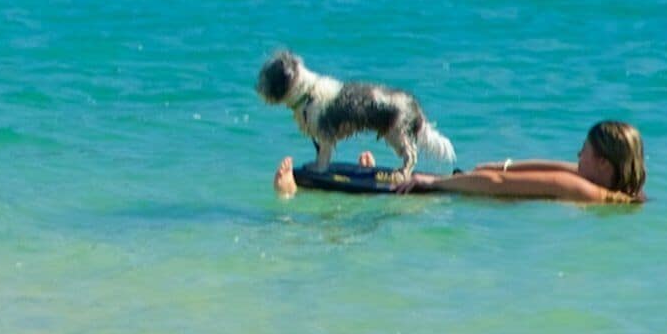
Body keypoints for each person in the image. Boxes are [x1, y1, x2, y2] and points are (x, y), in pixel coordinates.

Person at [275, 120, 646, 204]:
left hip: (468, 200)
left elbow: (499, 186)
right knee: (395, 187)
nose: (577, 156)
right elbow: (542, 170)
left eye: (584, 151)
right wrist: (494, 166)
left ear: (604, 165)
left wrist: (437, 182)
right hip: (475, 197)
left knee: (403, 192)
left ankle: (293, 192)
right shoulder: (612, 189)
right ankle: (369, 171)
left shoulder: (585, 191)